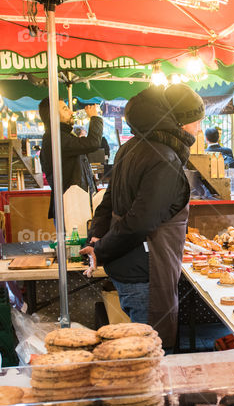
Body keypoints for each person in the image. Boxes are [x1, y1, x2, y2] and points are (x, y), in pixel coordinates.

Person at [82, 83, 205, 348]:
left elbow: (108, 201)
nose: (199, 129)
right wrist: (99, 249)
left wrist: (96, 239)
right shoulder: (166, 158)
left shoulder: (131, 147)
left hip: (129, 268)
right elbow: (140, 222)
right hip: (147, 271)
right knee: (151, 356)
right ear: (181, 123)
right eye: (197, 121)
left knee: (139, 350)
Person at [38, 98, 102, 220]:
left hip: (75, 204)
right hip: (71, 208)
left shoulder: (61, 136)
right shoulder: (55, 138)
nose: (71, 112)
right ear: (53, 116)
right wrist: (95, 118)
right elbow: (93, 143)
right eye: (65, 109)